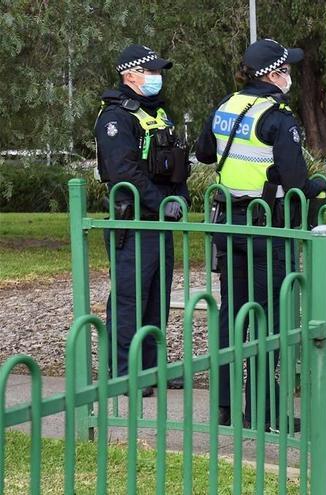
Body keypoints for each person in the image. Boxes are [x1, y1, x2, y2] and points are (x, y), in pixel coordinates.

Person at [195, 39, 326, 430]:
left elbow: (205, 154)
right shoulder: (278, 117)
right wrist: (314, 187)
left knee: (231, 316)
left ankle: (224, 406)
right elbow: (295, 178)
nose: (290, 76)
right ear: (272, 74)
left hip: (227, 224)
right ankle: (264, 413)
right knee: (269, 319)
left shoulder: (226, 107)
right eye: (286, 70)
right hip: (266, 228)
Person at [94, 45, 190, 394]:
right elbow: (123, 171)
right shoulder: (115, 117)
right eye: (150, 71)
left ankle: (150, 369)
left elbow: (178, 159)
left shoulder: (157, 113)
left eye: (158, 71)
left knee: (156, 299)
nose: (156, 77)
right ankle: (124, 373)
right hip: (133, 222)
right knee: (129, 299)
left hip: (159, 221)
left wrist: (179, 196)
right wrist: (159, 202)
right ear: (130, 75)